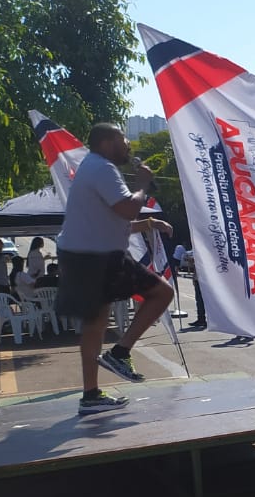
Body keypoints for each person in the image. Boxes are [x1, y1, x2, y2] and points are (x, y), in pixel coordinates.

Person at [54, 123, 174, 414]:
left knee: (94, 326)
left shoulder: (91, 167)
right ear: (107, 142)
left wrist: (148, 223)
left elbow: (108, 224)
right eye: (123, 139)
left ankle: (91, 395)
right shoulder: (103, 169)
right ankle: (120, 353)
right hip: (98, 259)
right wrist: (143, 184)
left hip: (83, 256)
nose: (128, 145)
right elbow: (126, 208)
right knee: (162, 292)